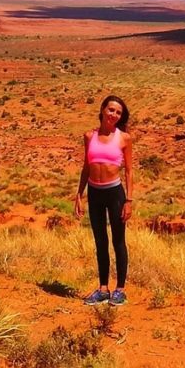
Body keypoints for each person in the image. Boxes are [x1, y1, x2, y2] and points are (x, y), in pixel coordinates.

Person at [74, 94, 133, 305]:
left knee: (118, 241)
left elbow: (129, 172)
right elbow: (86, 167)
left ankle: (120, 289)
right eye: (111, 110)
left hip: (115, 193)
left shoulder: (124, 138)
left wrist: (129, 200)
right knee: (100, 241)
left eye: (118, 112)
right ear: (102, 110)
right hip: (95, 193)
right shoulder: (89, 136)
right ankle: (103, 288)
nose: (114, 115)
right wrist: (79, 195)